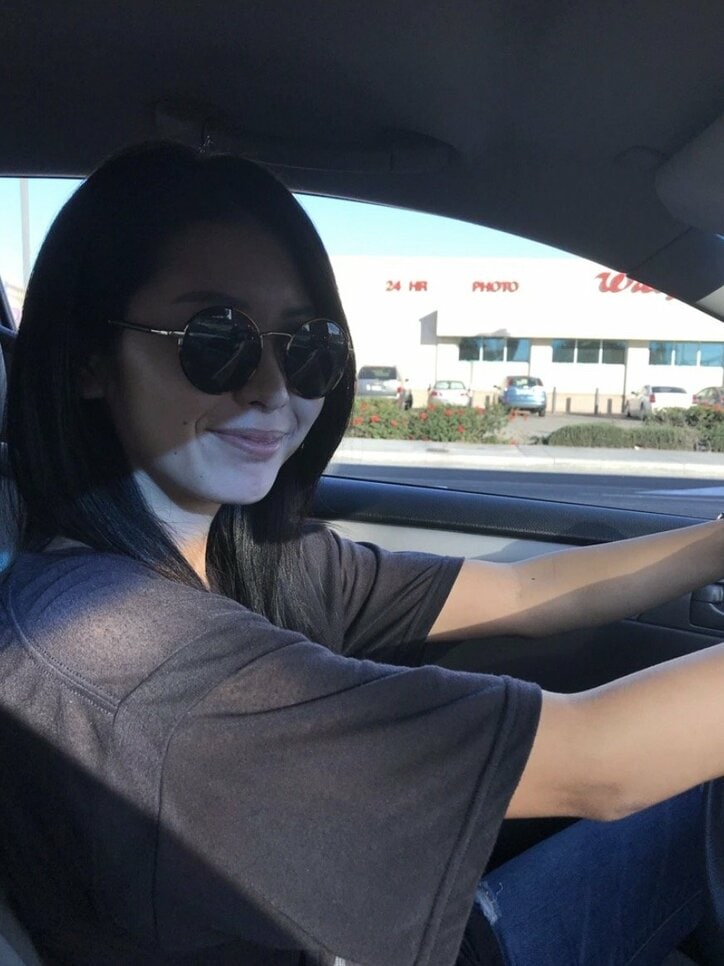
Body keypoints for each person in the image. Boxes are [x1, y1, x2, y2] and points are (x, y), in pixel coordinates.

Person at [0, 140, 721, 966]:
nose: (273, 387)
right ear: (91, 362)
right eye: (216, 336)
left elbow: (526, 592)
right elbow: (599, 763)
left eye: (306, 344)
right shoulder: (112, 646)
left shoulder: (244, 557)